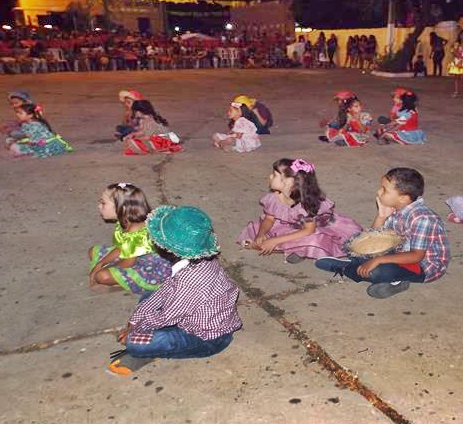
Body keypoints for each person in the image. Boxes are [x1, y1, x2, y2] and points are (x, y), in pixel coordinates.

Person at [108, 205, 242, 375]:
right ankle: (152, 342)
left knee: (134, 343)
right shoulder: (200, 259)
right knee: (149, 298)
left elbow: (166, 316)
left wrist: (135, 330)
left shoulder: (190, 280)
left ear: (167, 250)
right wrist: (134, 320)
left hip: (208, 338)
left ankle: (152, 352)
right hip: (193, 312)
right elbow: (164, 291)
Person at [315, 167, 450, 299]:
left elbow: (416, 256)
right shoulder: (396, 208)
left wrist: (378, 260)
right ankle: (381, 274)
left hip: (424, 266)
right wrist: (381, 216)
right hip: (400, 253)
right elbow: (373, 239)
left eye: (384, 190)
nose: (379, 192)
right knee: (358, 244)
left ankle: (347, 269)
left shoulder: (423, 219)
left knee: (376, 272)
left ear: (403, 198)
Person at [237, 158, 362, 263]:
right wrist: (261, 233)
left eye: (275, 175)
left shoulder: (306, 203)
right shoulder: (274, 197)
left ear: (289, 183)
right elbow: (269, 219)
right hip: (290, 226)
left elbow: (309, 230)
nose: (270, 176)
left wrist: (275, 241)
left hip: (315, 228)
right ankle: (296, 250)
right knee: (263, 235)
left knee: (314, 240)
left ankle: (298, 250)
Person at [89, 183, 172, 295]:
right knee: (93, 252)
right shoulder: (125, 221)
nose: (99, 206)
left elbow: (128, 263)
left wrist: (104, 268)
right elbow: (121, 248)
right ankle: (121, 279)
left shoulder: (134, 229)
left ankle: (133, 284)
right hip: (134, 256)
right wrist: (101, 263)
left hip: (153, 266)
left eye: (103, 203)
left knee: (102, 276)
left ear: (121, 208)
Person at [7, 103, 73, 158]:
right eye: (17, 113)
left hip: (45, 146)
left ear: (30, 115)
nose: (17, 115)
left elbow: (33, 142)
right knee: (12, 141)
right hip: (45, 143)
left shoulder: (34, 125)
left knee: (14, 145)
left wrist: (18, 142)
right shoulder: (29, 123)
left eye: (20, 113)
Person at [448, 30, 463, 98]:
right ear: (459, 35)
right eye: (462, 34)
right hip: (457, 62)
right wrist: (455, 54)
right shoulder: (455, 43)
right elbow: (451, 50)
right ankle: (456, 91)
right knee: (456, 77)